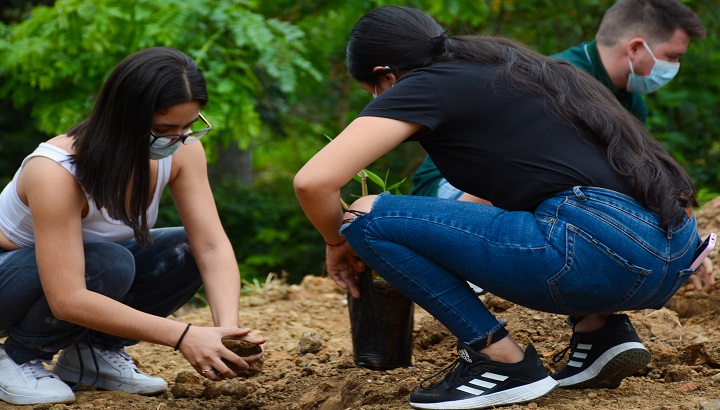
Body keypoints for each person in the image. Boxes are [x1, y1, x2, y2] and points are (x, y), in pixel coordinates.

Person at [294, 6, 701, 410]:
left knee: (366, 215)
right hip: (675, 252)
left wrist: (338, 242)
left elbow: (313, 182)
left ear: (386, 75)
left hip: (598, 251)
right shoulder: (518, 69)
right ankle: (601, 334)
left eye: (375, 89)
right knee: (548, 210)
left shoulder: (426, 84)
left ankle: (499, 360)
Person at [0, 47, 265, 405]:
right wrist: (184, 335)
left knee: (182, 248)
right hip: (13, 280)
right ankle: (17, 356)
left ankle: (91, 355)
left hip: (81, 272)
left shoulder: (182, 149)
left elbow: (211, 246)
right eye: (163, 129)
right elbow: (67, 298)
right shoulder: (56, 171)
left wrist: (226, 333)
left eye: (189, 126)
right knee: (109, 262)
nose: (178, 138)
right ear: (123, 117)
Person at [411, 0, 705, 200]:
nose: (674, 66)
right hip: (451, 187)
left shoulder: (629, 100)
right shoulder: (557, 80)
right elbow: (515, 171)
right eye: (672, 57)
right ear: (636, 48)